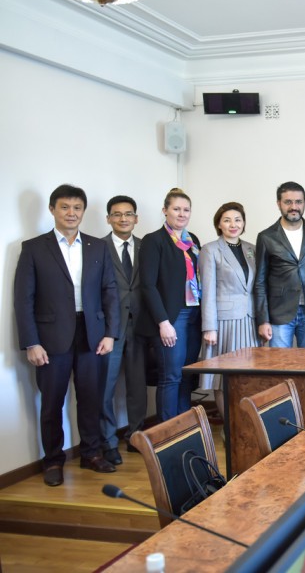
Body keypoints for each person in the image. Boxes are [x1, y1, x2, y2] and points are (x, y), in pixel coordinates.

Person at [14, 184, 120, 485]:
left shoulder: (97, 246)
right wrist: (31, 342)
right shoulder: (34, 248)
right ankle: (53, 461)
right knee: (52, 403)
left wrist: (110, 333)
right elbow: (23, 299)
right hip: (50, 338)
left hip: (92, 333)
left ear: (83, 211)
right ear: (52, 210)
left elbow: (110, 291)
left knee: (90, 398)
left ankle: (91, 454)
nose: (71, 213)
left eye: (77, 208)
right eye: (64, 207)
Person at [137, 188, 202, 421]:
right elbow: (148, 285)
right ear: (165, 211)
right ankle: (168, 431)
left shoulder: (192, 241)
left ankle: (185, 427)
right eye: (176, 209)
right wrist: (163, 322)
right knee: (171, 376)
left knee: (187, 375)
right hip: (172, 318)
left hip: (194, 315)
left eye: (186, 210)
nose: (181, 214)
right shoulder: (154, 241)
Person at [198, 202, 260, 416]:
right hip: (224, 323)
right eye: (227, 220)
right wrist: (209, 327)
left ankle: (246, 424)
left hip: (250, 321)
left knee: (249, 376)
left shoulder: (252, 249)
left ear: (243, 223)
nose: (233, 224)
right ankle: (229, 427)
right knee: (223, 378)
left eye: (237, 220)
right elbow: (207, 291)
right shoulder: (210, 250)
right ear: (219, 224)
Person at [99, 195, 146, 465]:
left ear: (136, 218)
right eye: (117, 214)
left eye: (128, 214)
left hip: (140, 326)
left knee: (137, 386)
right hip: (110, 328)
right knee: (105, 386)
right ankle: (107, 441)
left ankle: (135, 435)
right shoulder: (98, 247)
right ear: (108, 219)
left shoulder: (145, 246)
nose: (123, 219)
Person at [255, 182, 305, 348]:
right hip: (279, 313)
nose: (294, 207)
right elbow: (260, 282)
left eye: (298, 202)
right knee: (279, 362)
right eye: (288, 202)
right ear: (279, 203)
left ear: (304, 203)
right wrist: (263, 319)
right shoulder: (266, 237)